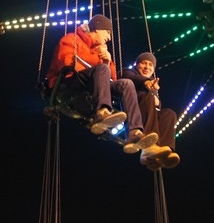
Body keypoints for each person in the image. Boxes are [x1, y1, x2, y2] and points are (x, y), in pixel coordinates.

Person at [45, 13, 158, 154]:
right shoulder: (71, 39)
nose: (109, 38)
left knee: (126, 83)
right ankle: (102, 112)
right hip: (70, 82)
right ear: (97, 29)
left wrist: (107, 61)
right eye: (108, 32)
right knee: (102, 69)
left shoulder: (100, 51)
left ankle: (134, 132)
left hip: (92, 85)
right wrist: (98, 62)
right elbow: (68, 65)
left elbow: (113, 79)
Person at [121, 52, 180, 170]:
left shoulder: (153, 84)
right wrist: (145, 83)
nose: (147, 67)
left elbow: (157, 105)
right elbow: (131, 78)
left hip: (147, 112)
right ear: (137, 65)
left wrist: (157, 100)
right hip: (133, 110)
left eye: (150, 65)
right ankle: (149, 146)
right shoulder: (129, 72)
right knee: (148, 98)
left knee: (169, 114)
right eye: (144, 63)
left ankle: (163, 153)